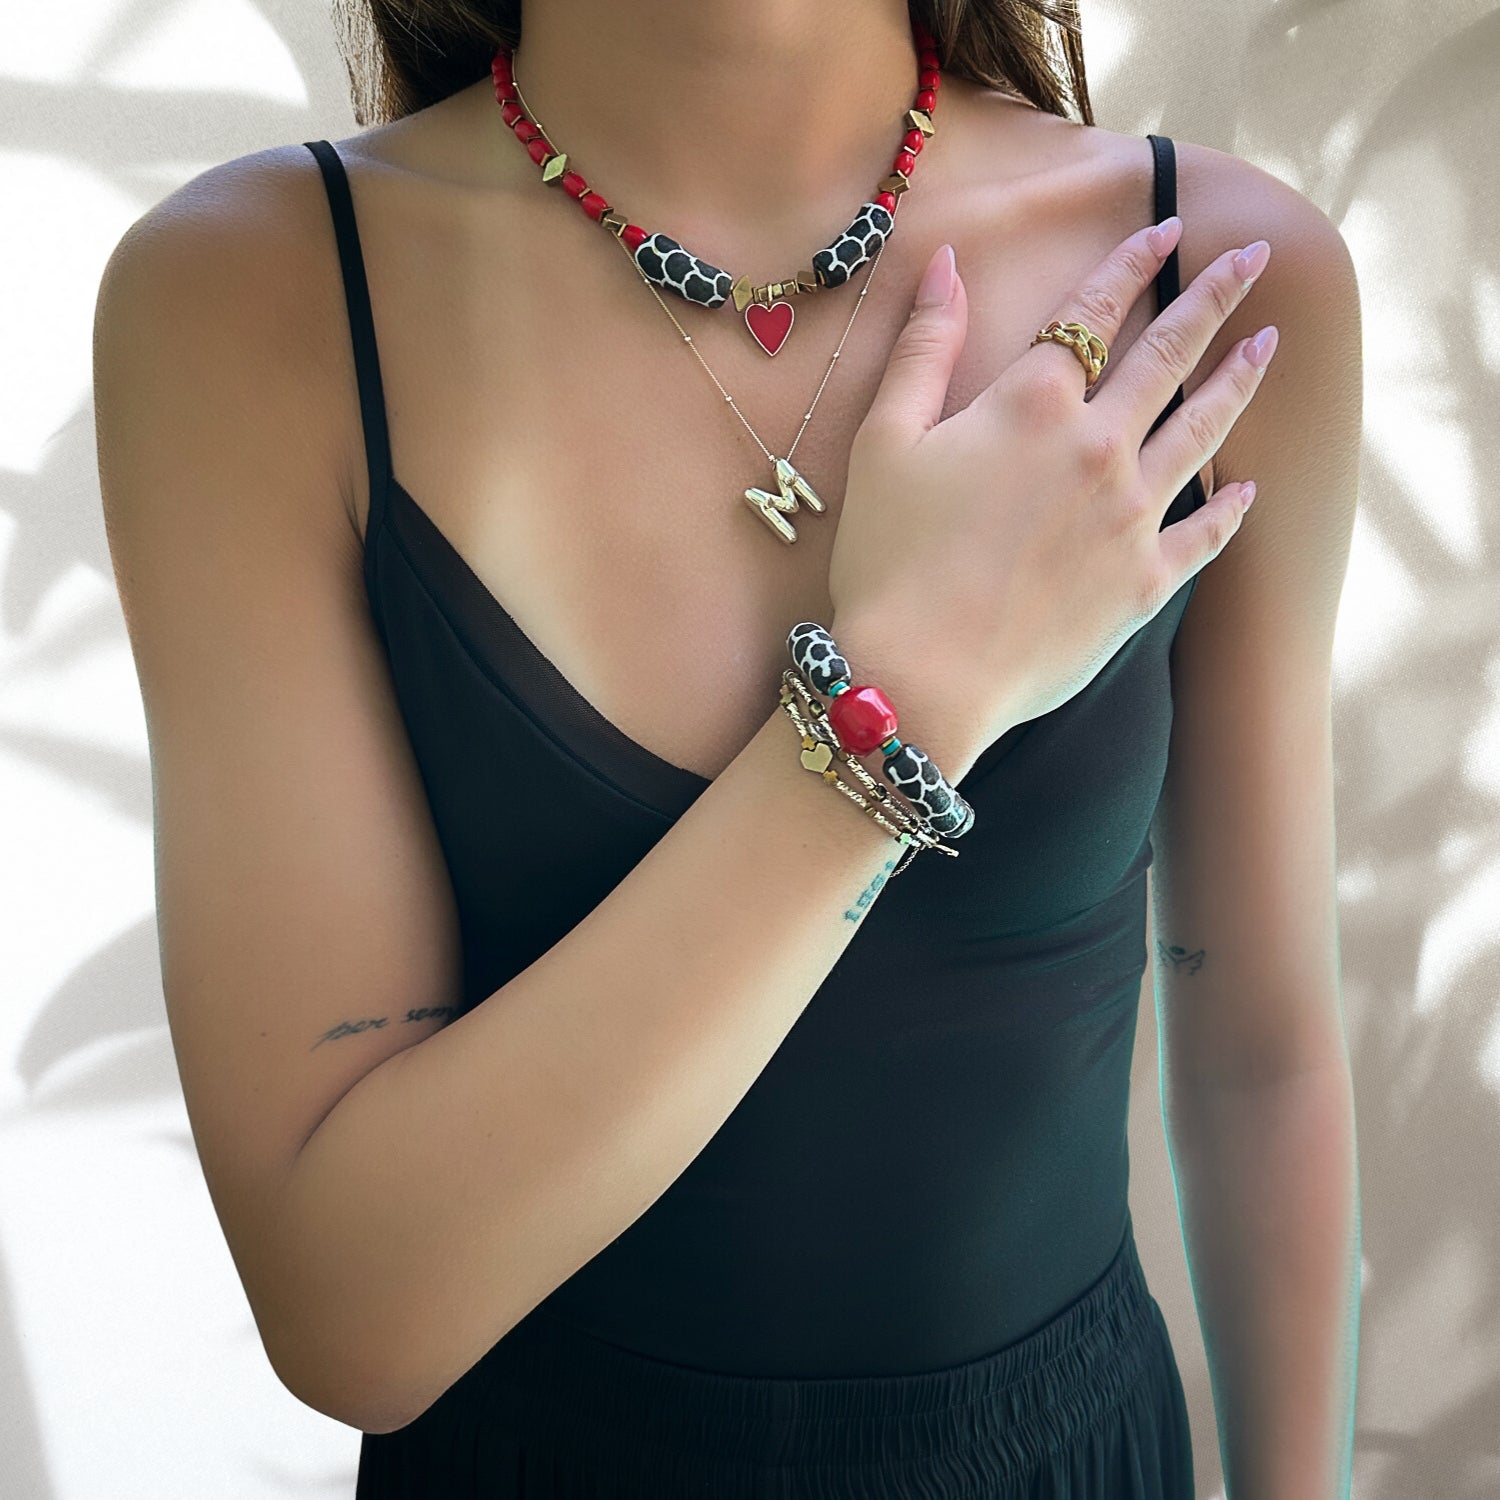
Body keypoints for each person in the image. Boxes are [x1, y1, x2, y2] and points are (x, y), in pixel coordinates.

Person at [92, 0, 1362, 1494]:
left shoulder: (1211, 269)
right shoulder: (256, 294)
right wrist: (908, 694)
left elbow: (1262, 1052)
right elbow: (353, 1319)